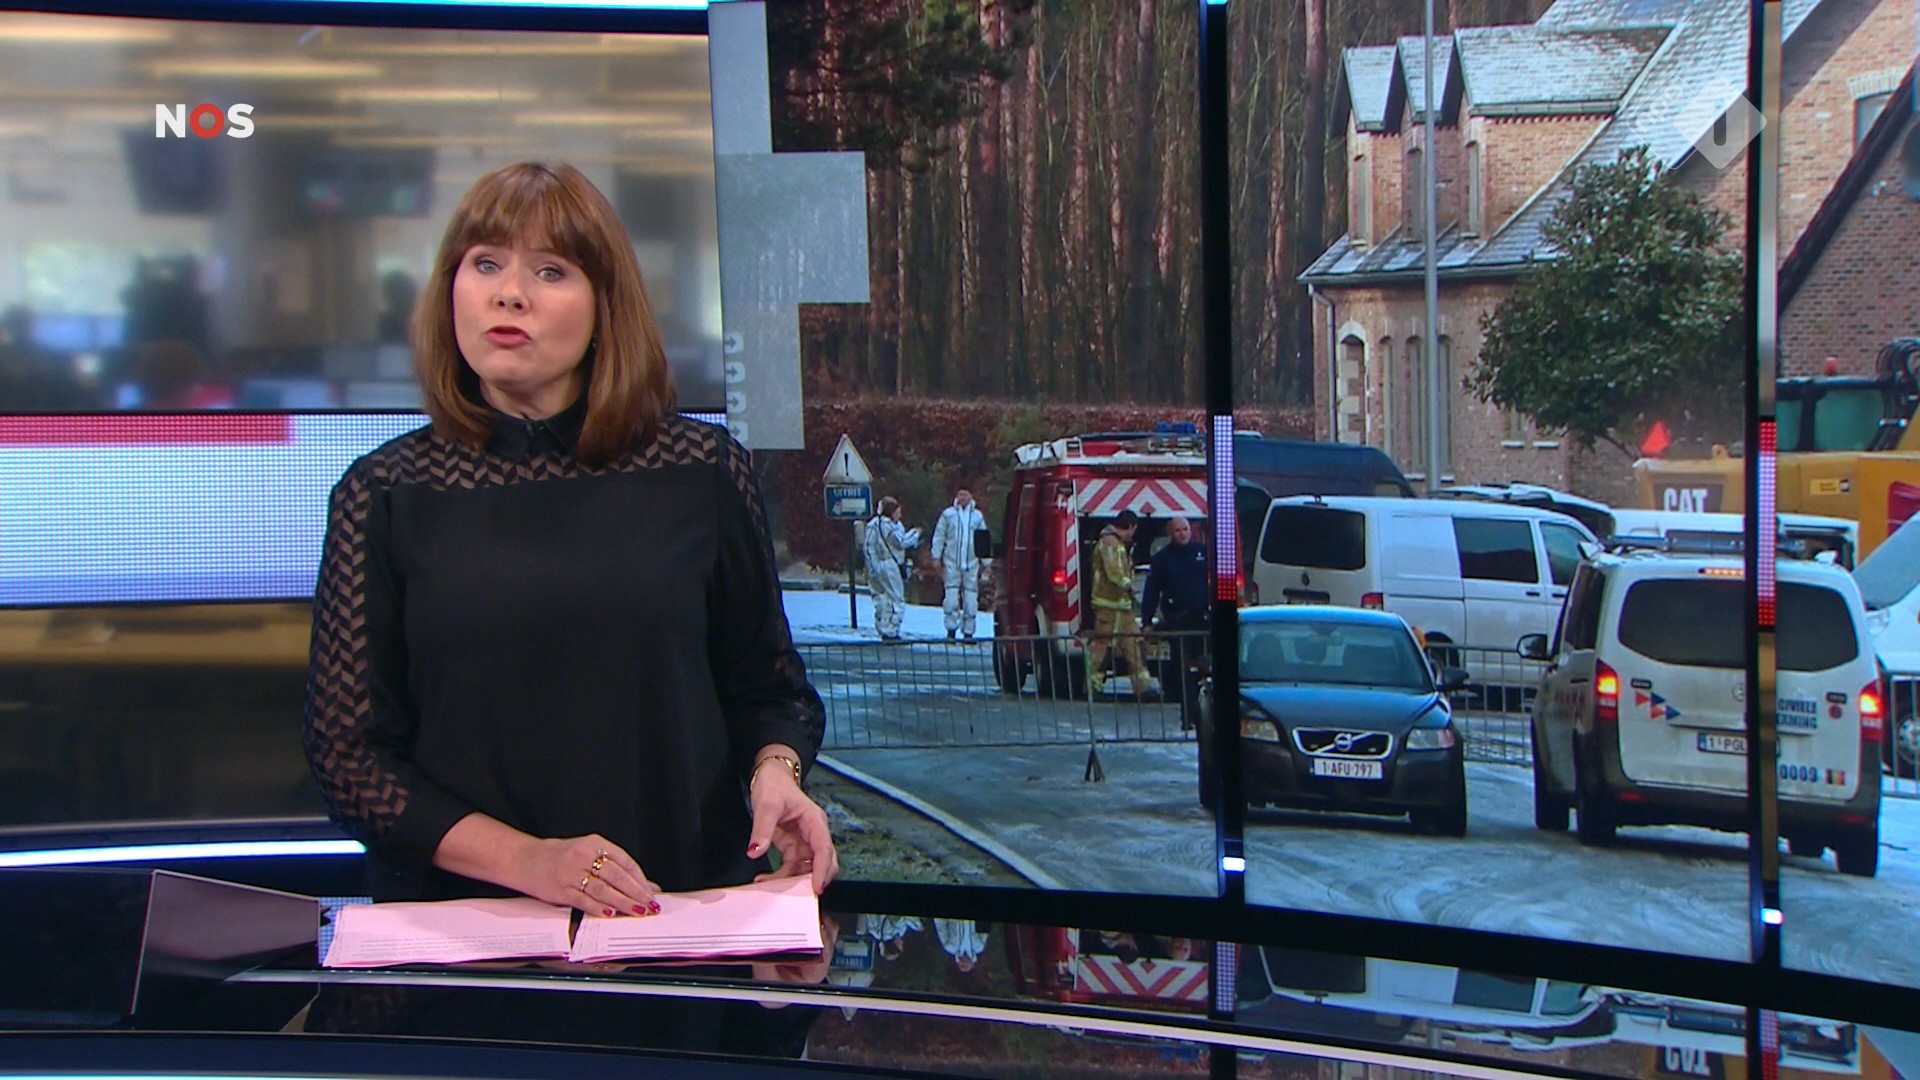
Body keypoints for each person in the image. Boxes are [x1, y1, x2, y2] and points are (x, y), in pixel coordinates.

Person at [302, 161, 838, 924]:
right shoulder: (383, 494)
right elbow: (350, 761)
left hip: (675, 919)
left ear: (604, 306)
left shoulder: (703, 472)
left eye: (549, 271)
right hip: (468, 942)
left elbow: (770, 691)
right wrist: (532, 863)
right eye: (485, 264)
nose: (508, 294)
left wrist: (775, 774)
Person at [1142, 515, 1209, 728]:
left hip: (1202, 621)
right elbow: (1151, 591)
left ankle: (1205, 715)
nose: (1182, 534)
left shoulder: (1202, 553)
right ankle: (1187, 717)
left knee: (1205, 669)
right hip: (1177, 622)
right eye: (1178, 530)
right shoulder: (1162, 559)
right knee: (1182, 671)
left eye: (1185, 529)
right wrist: (1147, 621)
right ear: (1170, 533)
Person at [1086, 509, 1159, 699]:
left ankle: (1143, 686)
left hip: (1121, 606)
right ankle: (1092, 685)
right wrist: (1128, 585)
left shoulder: (1118, 544)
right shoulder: (1109, 543)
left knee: (1133, 644)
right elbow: (1113, 571)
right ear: (1131, 527)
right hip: (1108, 605)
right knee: (1103, 645)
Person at [930, 487, 988, 642]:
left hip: (971, 563)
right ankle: (951, 630)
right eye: (960, 494)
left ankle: (969, 632)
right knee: (951, 598)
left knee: (971, 599)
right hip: (952, 563)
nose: (962, 497)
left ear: (971, 496)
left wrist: (986, 562)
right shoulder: (948, 515)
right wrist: (936, 557)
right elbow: (939, 536)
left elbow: (983, 539)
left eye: (965, 494)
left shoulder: (977, 517)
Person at [864, 496, 917, 641]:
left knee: (883, 597)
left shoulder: (873, 525)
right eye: (898, 512)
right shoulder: (889, 527)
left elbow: (868, 546)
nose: (900, 515)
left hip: (877, 565)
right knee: (896, 598)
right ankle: (891, 630)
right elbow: (901, 542)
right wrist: (915, 534)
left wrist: (872, 566)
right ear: (892, 511)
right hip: (890, 565)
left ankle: (883, 625)